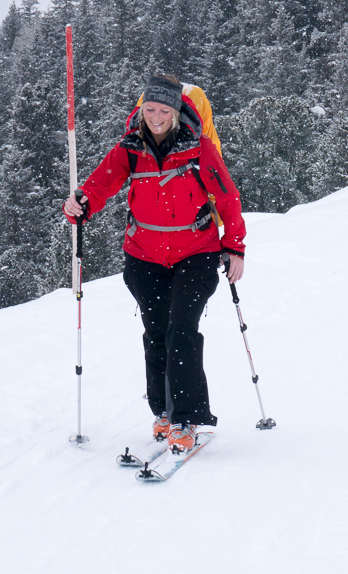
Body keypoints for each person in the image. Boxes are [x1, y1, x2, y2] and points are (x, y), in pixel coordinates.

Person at [63, 73, 245, 454]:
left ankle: (186, 419)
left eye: (164, 109)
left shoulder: (198, 149)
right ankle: (164, 413)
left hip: (196, 253)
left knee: (181, 331)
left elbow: (227, 197)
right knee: (157, 333)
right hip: (144, 257)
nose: (156, 116)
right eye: (150, 109)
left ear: (176, 111)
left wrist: (235, 247)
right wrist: (80, 204)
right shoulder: (130, 148)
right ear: (141, 109)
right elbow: (100, 185)